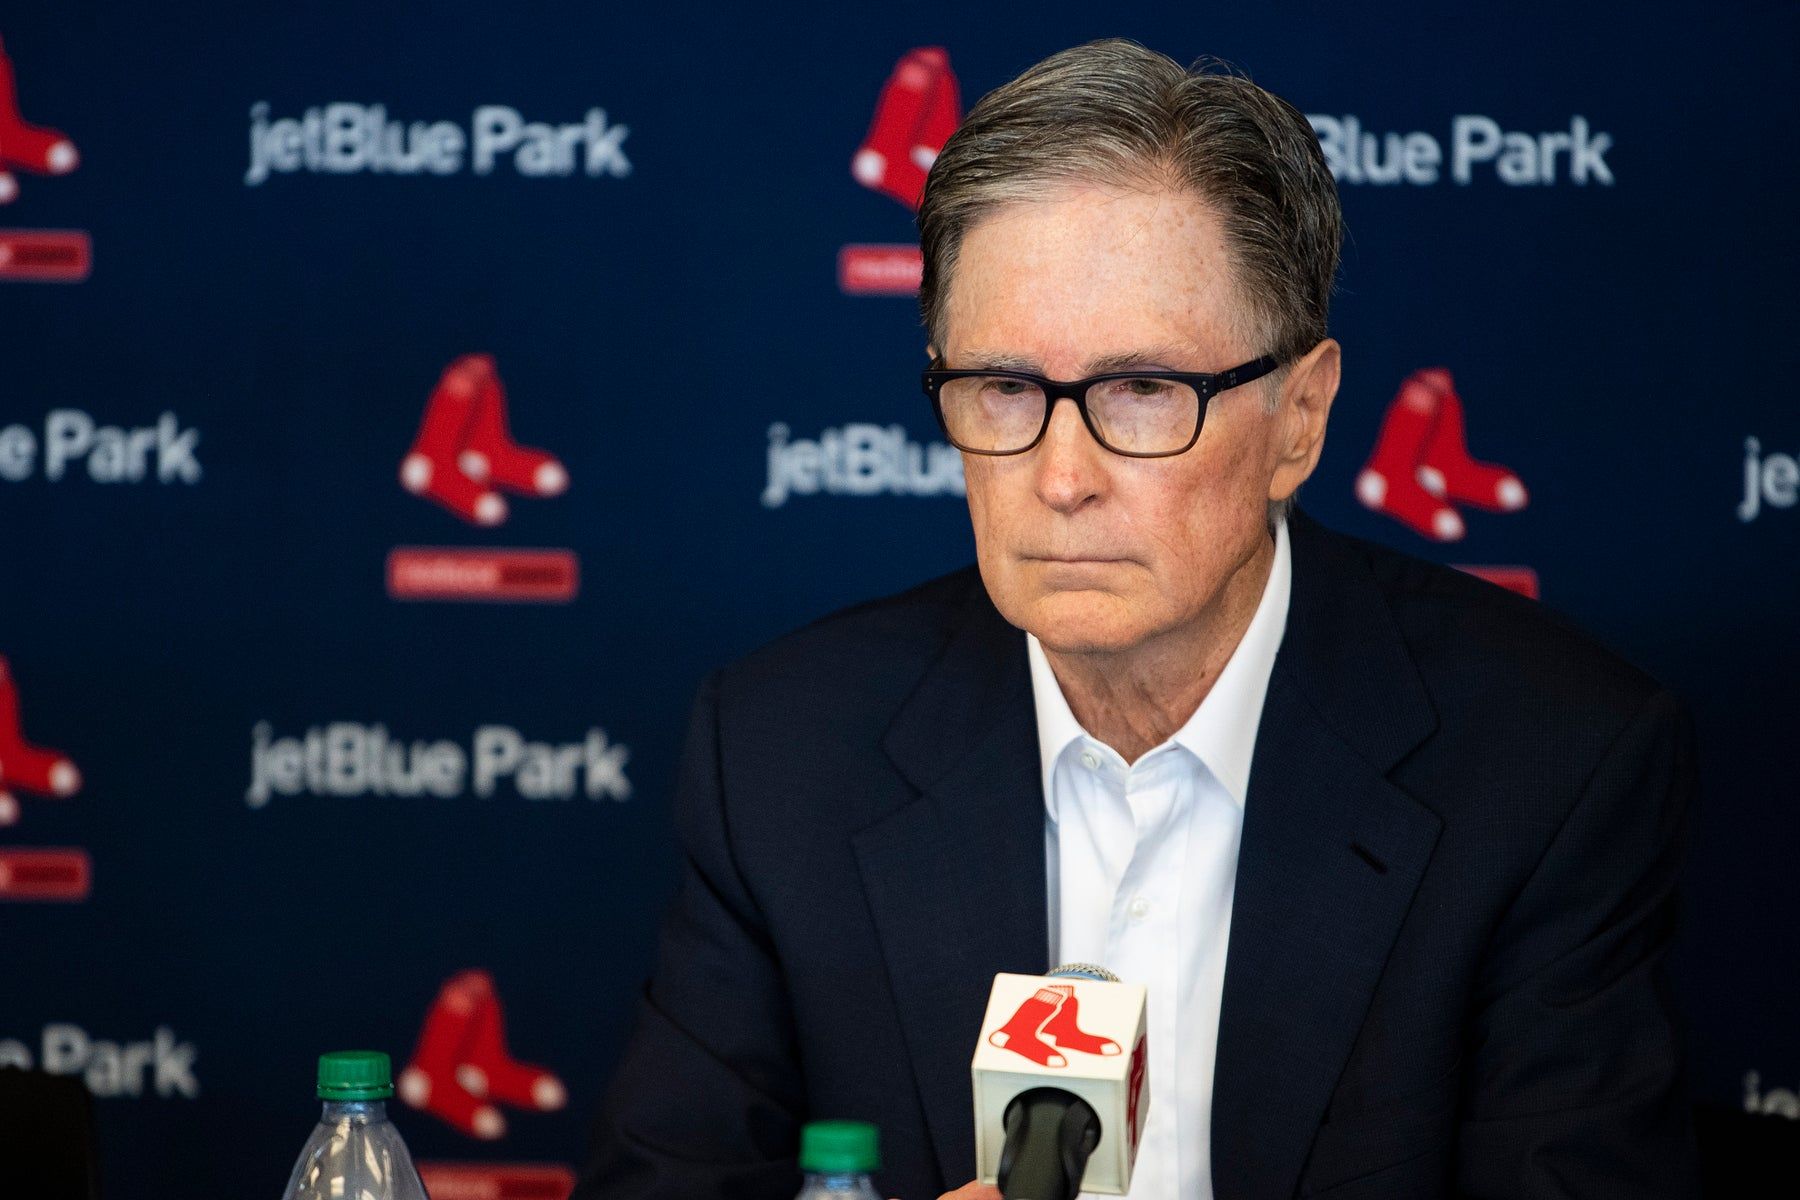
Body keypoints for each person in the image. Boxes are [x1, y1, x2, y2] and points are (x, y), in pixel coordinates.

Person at [574, 38, 1701, 1200]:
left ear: (1300, 419)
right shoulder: (779, 757)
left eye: (1144, 391)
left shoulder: (1548, 767)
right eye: (1005, 388)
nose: (1063, 477)